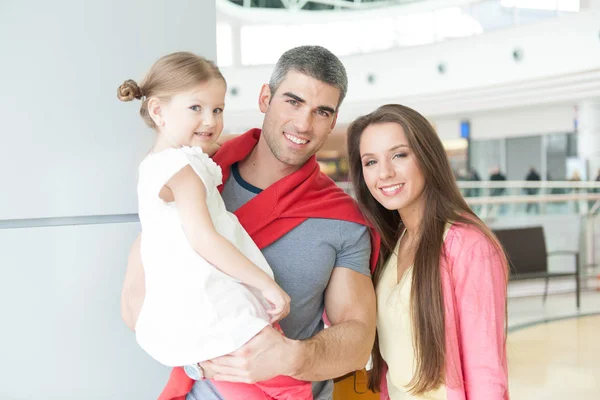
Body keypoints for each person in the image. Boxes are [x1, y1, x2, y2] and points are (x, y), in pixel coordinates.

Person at [120, 46, 378, 400]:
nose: (303, 124)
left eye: (321, 111)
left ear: (333, 121)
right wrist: (206, 362)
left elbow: (358, 339)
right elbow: (136, 304)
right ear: (265, 98)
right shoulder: (199, 176)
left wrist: (292, 357)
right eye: (292, 101)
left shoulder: (343, 219)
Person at [347, 104, 509, 399]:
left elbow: (486, 370)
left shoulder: (467, 246)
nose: (384, 173)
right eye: (370, 162)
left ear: (426, 156)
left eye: (399, 155)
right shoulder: (391, 244)